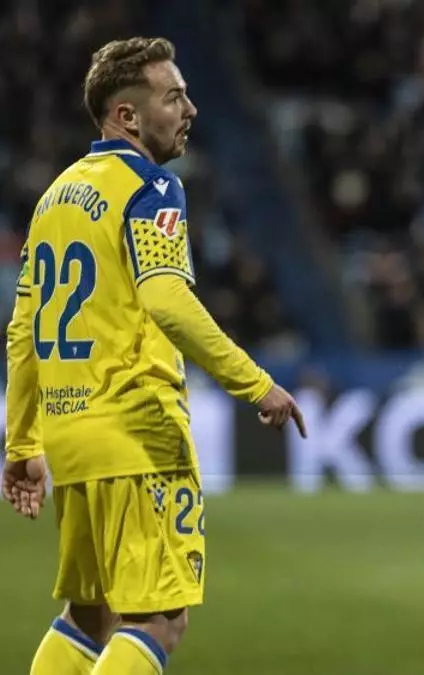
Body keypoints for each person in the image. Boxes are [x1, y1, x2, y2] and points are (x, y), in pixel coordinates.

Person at [1, 37, 306, 675]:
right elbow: (166, 299)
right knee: (159, 621)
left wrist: (23, 443)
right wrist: (254, 383)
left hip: (71, 438)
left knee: (88, 616)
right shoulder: (151, 186)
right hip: (136, 431)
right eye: (174, 97)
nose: (190, 109)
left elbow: (24, 332)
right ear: (128, 117)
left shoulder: (55, 196)